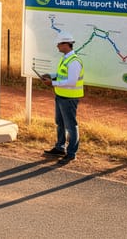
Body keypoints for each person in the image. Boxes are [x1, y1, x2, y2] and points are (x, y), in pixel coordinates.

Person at [42, 31, 84, 163]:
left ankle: (71, 153)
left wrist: (52, 83)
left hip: (69, 98)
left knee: (71, 126)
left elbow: (71, 82)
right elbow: (62, 75)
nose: (57, 46)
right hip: (61, 95)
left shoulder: (74, 62)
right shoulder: (65, 58)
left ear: (66, 44)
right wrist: (50, 75)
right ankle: (60, 147)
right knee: (60, 123)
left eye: (59, 44)